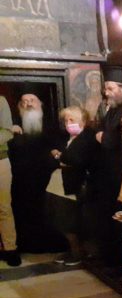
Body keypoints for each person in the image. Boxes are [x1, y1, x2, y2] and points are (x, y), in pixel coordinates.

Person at [9, 86, 67, 253]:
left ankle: (48, 244)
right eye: (24, 101)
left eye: (32, 100)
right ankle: (26, 245)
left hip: (45, 179)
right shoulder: (13, 126)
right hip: (21, 180)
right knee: (23, 212)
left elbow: (59, 148)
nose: (28, 104)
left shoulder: (52, 126)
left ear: (40, 103)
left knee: (47, 212)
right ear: (19, 106)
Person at [47, 106, 100, 266]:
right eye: (66, 120)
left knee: (70, 222)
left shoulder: (87, 138)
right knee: (62, 220)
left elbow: (75, 160)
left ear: (83, 121)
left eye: (72, 120)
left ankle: (78, 253)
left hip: (76, 186)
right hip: (61, 185)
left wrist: (58, 155)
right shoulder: (67, 138)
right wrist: (60, 157)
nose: (68, 123)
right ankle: (73, 250)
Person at [95, 64, 122, 269]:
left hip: (120, 173)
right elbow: (98, 131)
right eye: (105, 88)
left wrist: (104, 137)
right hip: (107, 173)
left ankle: (119, 262)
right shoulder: (112, 110)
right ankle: (110, 259)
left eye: (110, 88)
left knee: (119, 219)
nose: (106, 93)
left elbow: (111, 141)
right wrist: (103, 136)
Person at [0, 95, 20, 266]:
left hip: (0, 160)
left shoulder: (1, 101)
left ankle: (10, 248)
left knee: (4, 207)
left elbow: (7, 132)